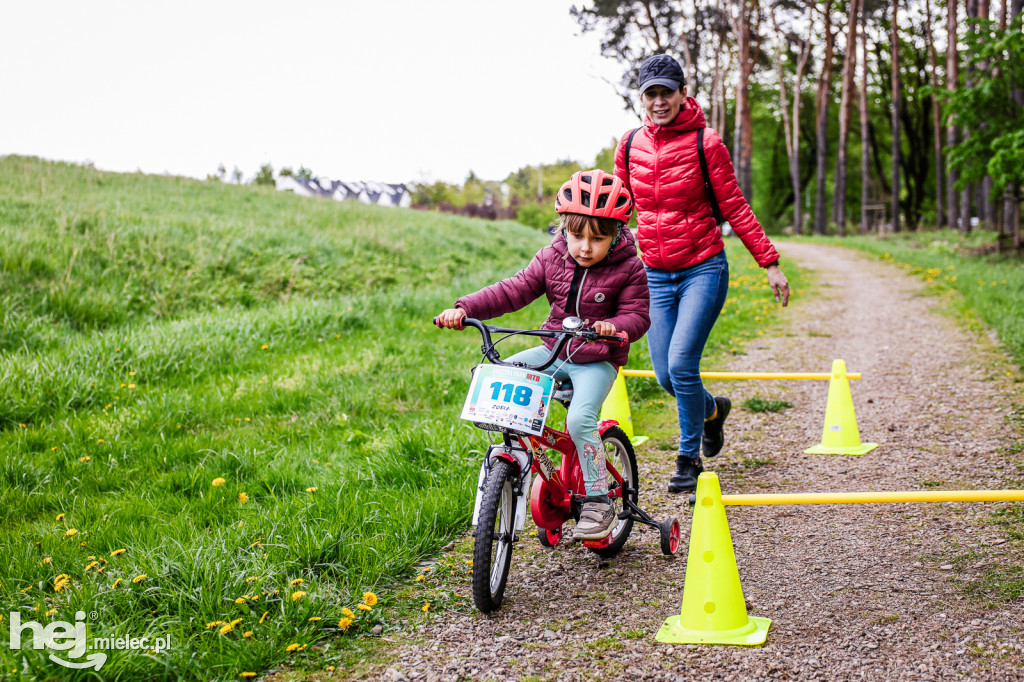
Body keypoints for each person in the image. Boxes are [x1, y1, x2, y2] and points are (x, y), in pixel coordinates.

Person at [436, 169, 650, 540]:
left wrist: (616, 327)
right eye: (576, 236)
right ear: (562, 229)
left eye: (597, 239)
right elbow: (513, 290)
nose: (584, 247)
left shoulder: (629, 266)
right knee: (504, 372)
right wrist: (464, 308)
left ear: (616, 235)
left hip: (597, 358)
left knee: (581, 421)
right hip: (554, 349)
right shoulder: (552, 256)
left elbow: (638, 314)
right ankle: (514, 466)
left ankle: (599, 499)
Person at [614, 54, 790, 494]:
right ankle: (713, 411)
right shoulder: (629, 143)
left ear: (682, 93)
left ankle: (688, 457)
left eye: (666, 93)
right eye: (650, 93)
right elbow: (618, 210)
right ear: (641, 98)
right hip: (653, 272)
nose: (659, 101)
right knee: (664, 376)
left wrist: (769, 263)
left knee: (682, 365)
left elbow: (734, 205)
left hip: (702, 268)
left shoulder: (705, 142)